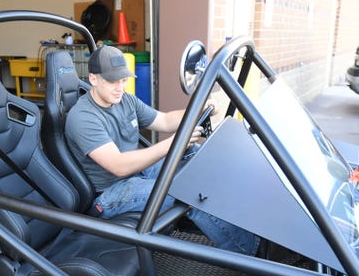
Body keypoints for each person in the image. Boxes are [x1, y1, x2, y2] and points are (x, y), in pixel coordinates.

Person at [65, 45, 258, 255]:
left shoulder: (124, 100)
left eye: (123, 80)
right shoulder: (83, 117)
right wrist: (174, 143)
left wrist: (198, 108)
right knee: (187, 190)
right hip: (111, 193)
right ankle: (250, 254)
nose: (119, 87)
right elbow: (118, 166)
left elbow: (164, 120)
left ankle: (256, 231)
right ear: (93, 79)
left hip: (138, 173)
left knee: (196, 159)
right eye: (113, 81)